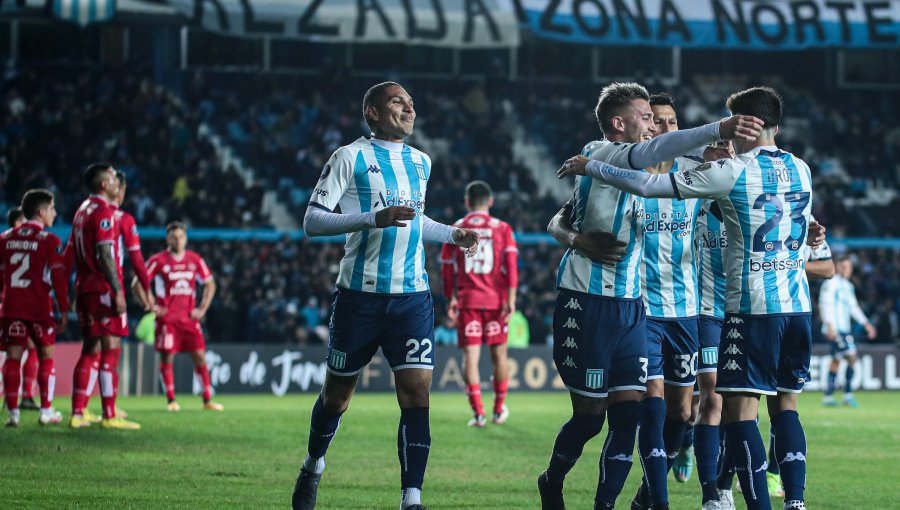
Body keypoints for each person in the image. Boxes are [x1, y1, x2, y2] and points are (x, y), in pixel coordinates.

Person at [560, 86, 814, 510]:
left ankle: (741, 500)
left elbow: (646, 183)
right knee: (784, 404)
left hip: (748, 309)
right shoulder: (802, 169)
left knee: (738, 411)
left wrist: (592, 166)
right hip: (797, 306)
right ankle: (794, 501)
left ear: (745, 125)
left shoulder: (730, 171)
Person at [291, 81, 479, 510]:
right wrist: (373, 217)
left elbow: (416, 221)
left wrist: (453, 234)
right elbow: (313, 221)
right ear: (372, 112)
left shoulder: (421, 162)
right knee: (337, 397)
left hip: (412, 297)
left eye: (412, 102)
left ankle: (411, 499)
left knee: (416, 395)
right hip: (360, 297)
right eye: (398, 102)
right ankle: (313, 464)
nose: (409, 108)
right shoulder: (349, 156)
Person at [67, 163, 140, 430]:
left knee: (91, 348)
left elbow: (73, 252)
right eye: (112, 179)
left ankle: (78, 412)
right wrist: (117, 290)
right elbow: (106, 255)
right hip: (102, 289)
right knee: (111, 348)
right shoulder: (103, 213)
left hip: (84, 287)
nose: (116, 183)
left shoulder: (80, 211)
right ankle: (109, 414)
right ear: (103, 185)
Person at [440, 180, 518, 427]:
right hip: (496, 301)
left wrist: (450, 296)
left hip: (468, 301)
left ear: (467, 202)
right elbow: (511, 267)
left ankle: (478, 414)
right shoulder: (502, 228)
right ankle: (497, 410)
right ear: (490, 202)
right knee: (500, 355)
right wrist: (511, 300)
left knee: (470, 358)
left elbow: (446, 268)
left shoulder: (456, 228)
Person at [133, 222, 221, 412]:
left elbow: (210, 284)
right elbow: (136, 283)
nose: (178, 240)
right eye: (174, 237)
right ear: (168, 239)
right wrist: (149, 305)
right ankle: (171, 400)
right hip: (168, 320)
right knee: (167, 358)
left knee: (200, 356)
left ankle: (207, 400)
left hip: (189, 319)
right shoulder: (158, 260)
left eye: (181, 236)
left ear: (186, 238)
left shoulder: (194, 259)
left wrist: (202, 308)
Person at [1, 190, 69, 426]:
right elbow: (59, 280)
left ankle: (13, 414)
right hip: (39, 308)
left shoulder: (5, 238)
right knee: (46, 356)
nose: (55, 213)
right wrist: (65, 309)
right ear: (41, 212)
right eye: (52, 209)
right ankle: (45, 411)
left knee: (12, 357)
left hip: (11, 307)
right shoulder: (49, 241)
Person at [818, 255, 875, 408]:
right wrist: (829, 324)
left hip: (844, 329)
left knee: (836, 361)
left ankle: (828, 397)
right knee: (851, 356)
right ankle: (848, 394)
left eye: (849, 267)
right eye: (844, 267)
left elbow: (853, 308)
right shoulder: (830, 283)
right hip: (835, 329)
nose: (847, 270)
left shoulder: (847, 286)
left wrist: (866, 324)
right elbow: (825, 304)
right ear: (837, 267)